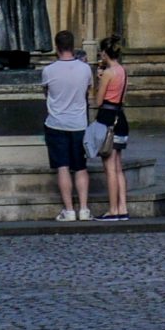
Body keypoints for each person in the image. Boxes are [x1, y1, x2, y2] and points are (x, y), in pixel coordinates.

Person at [42, 30, 94, 222]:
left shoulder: (48, 70)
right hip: (79, 124)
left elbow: (46, 92)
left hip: (56, 123)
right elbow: (88, 91)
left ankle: (69, 210)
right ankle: (84, 209)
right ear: (73, 47)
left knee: (63, 168)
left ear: (56, 47)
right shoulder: (85, 69)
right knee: (80, 167)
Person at [92, 36, 131, 220]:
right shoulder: (123, 71)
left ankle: (113, 209)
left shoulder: (108, 73)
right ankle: (122, 208)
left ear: (106, 53)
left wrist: (99, 81)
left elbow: (98, 101)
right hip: (120, 117)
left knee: (109, 168)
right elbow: (122, 99)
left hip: (108, 119)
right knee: (118, 167)